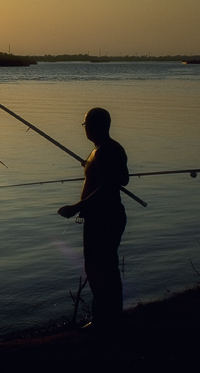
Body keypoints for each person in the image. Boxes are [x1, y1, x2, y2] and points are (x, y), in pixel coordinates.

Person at [58, 107, 130, 327]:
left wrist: (75, 207)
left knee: (99, 268)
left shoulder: (103, 151)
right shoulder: (108, 149)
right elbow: (124, 179)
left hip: (103, 219)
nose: (85, 128)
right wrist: (91, 166)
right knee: (104, 266)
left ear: (98, 125)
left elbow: (108, 188)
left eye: (86, 124)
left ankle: (105, 319)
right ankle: (110, 315)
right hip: (108, 216)